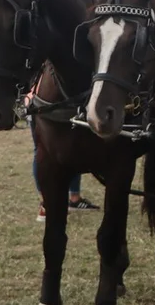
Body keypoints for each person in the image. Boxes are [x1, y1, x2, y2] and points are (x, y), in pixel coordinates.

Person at [23, 84, 99, 222]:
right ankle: (45, 204)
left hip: (64, 101)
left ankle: (74, 199)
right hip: (40, 100)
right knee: (42, 151)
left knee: (71, 147)